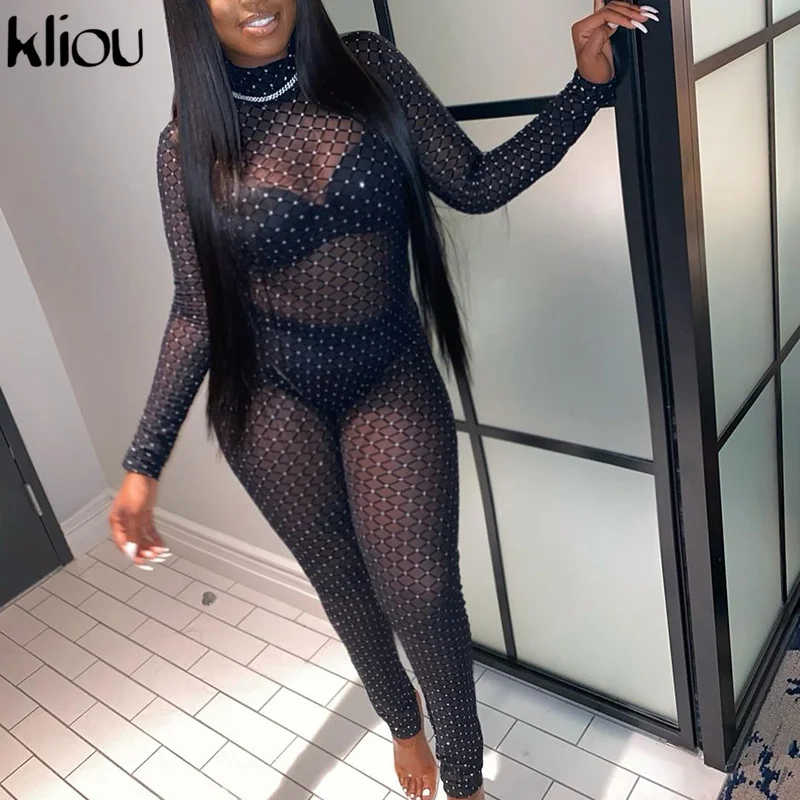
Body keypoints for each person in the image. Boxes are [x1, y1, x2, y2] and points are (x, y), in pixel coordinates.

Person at [109, 1, 658, 797]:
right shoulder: (184, 146)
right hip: (269, 399)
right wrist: (142, 465)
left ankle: (465, 779)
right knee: (343, 582)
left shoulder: (369, 67)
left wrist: (585, 87)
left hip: (387, 373)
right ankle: (403, 727)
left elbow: (474, 183)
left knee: (422, 589)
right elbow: (196, 312)